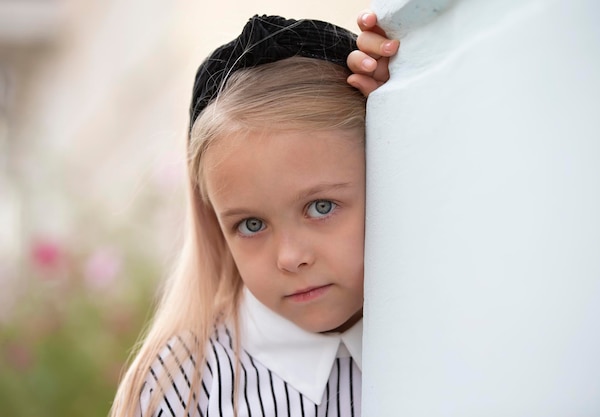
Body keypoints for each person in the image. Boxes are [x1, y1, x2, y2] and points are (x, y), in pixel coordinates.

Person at [110, 11, 397, 417]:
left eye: (321, 207)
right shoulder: (182, 388)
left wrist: (412, 109)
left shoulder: (452, 326)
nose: (289, 257)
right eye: (251, 224)